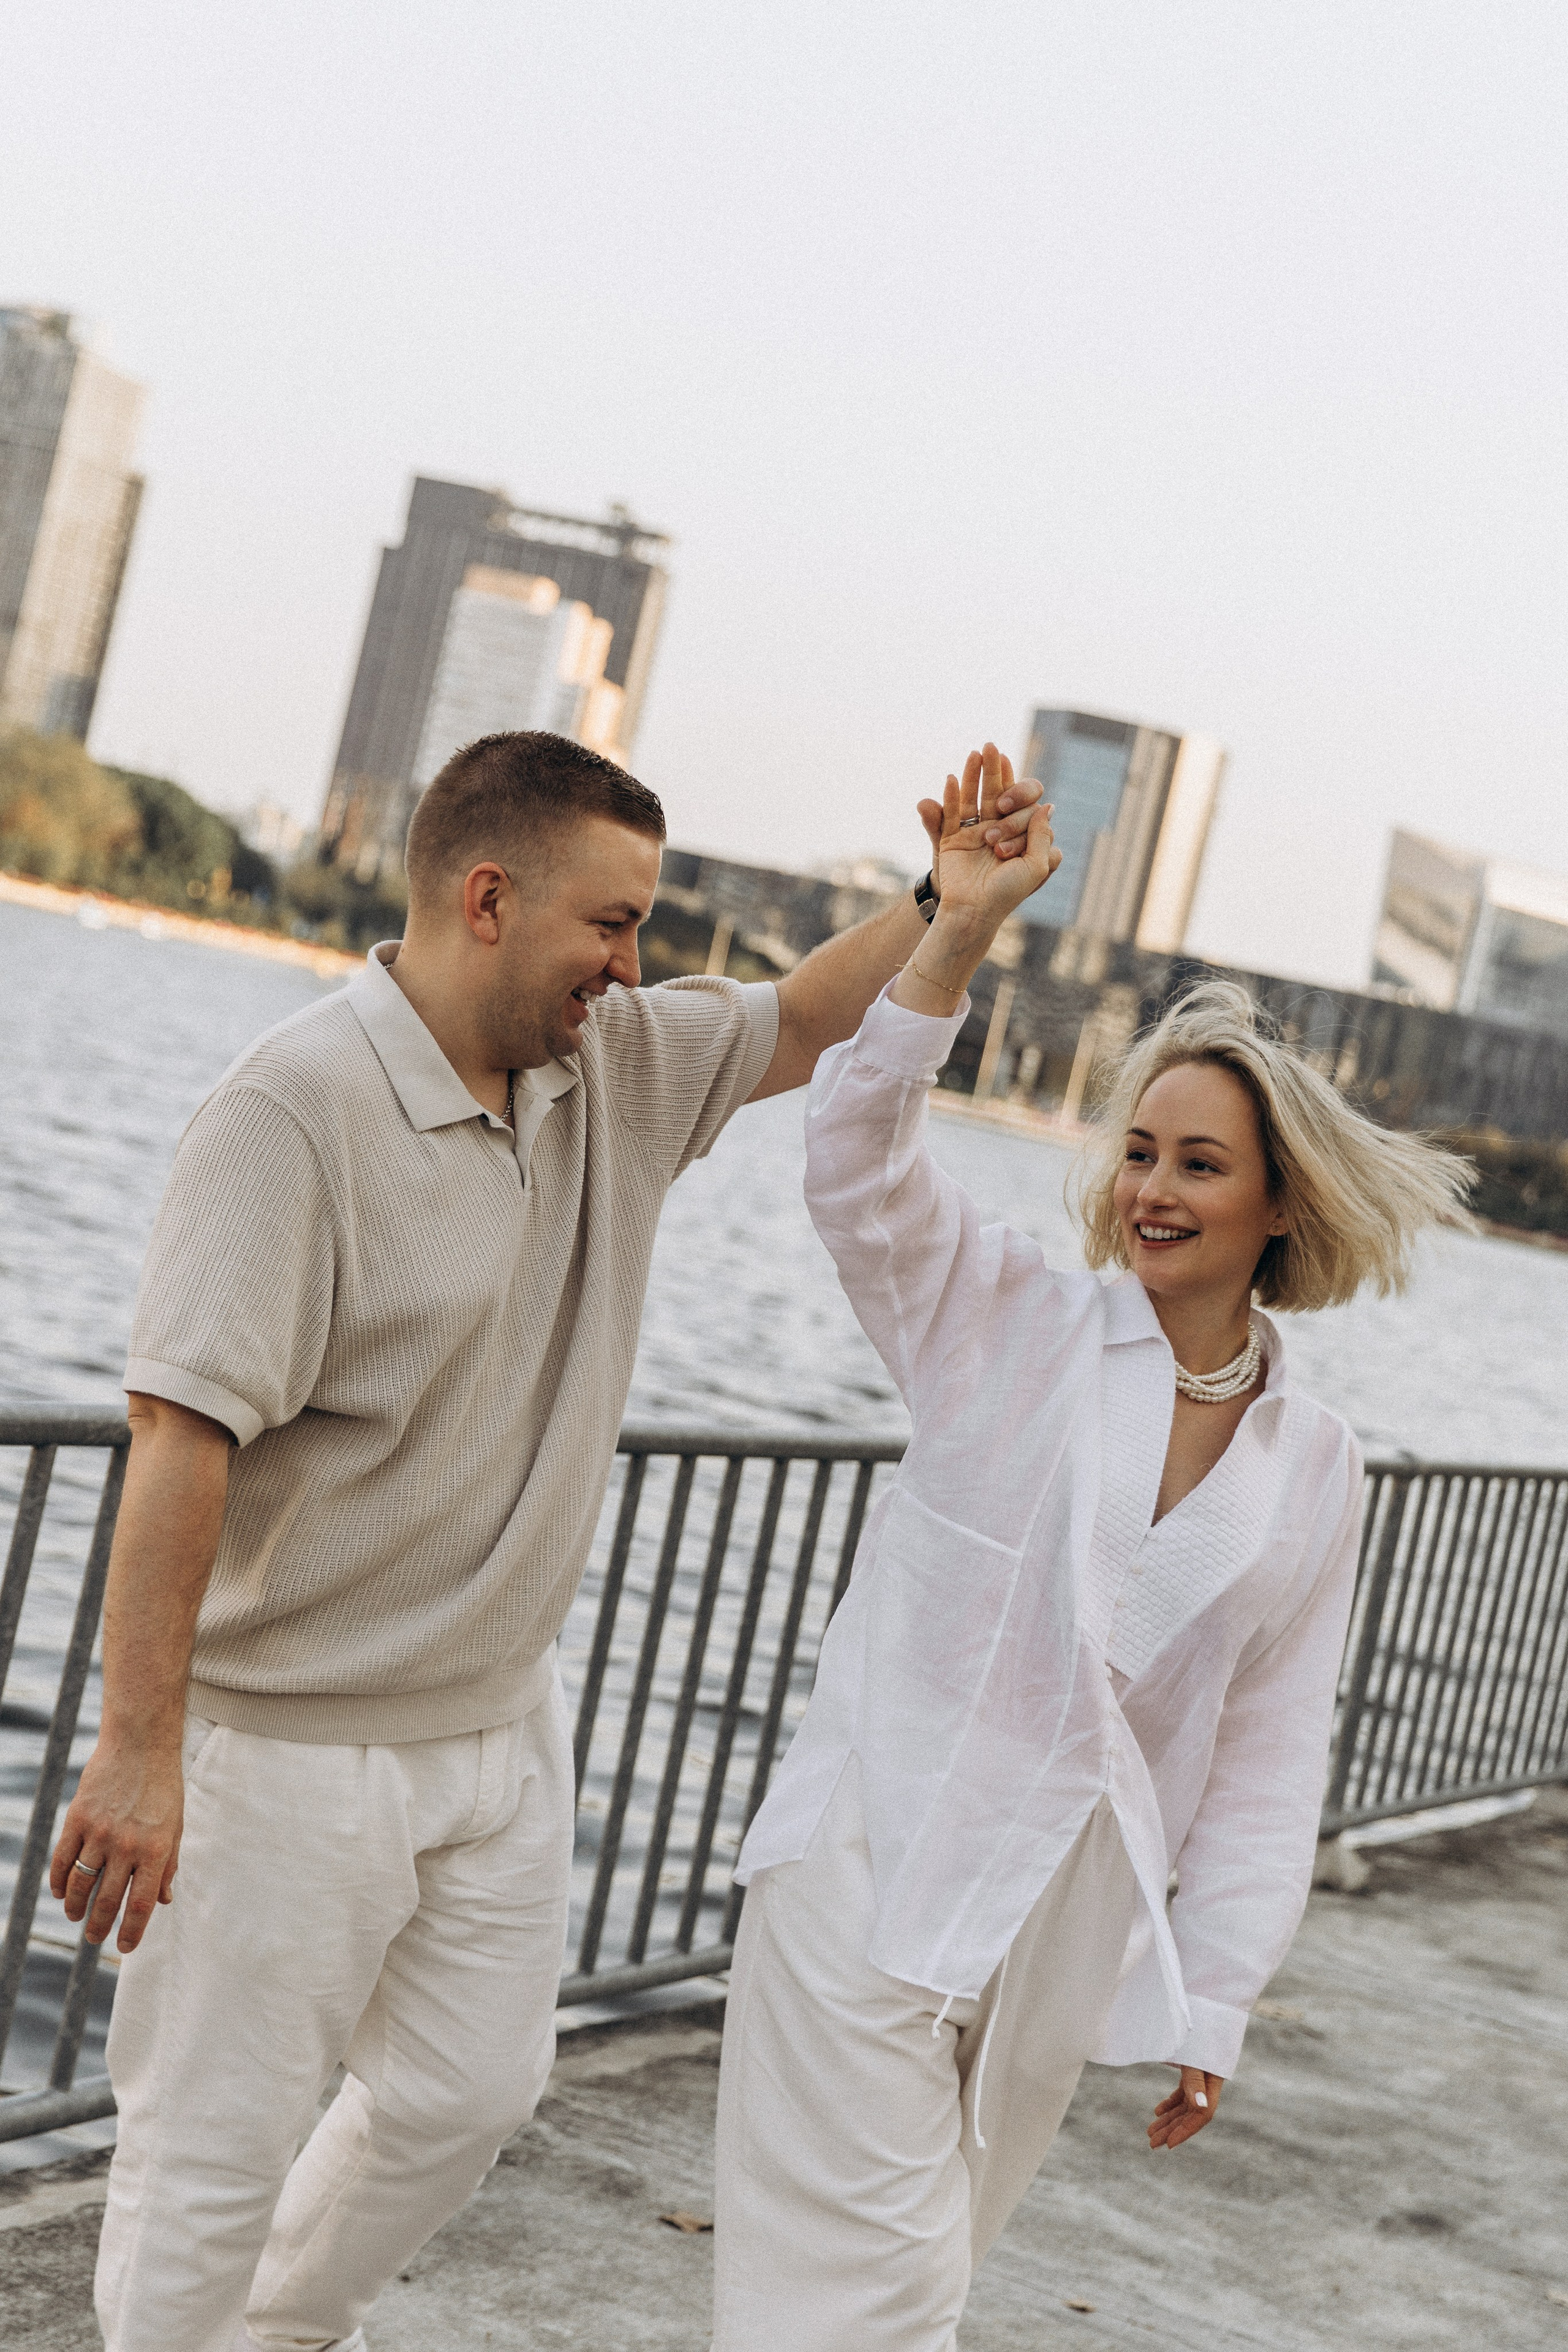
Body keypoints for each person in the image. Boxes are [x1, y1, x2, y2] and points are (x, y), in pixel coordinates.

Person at [49, 728, 1043, 2352]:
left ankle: (281, 2331)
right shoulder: (288, 1116)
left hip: (501, 1727)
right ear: (490, 899)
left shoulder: (616, 1070)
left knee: (470, 2093)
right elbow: (180, 1442)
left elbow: (804, 1018)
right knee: (208, 2164)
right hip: (287, 1750)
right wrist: (139, 1746)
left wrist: (952, 903)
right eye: (614, 923)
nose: (633, 964)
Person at [712, 748, 1472, 2351]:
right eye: (1138, 1152)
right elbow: (852, 1157)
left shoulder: (1314, 1463)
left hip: (1059, 1930)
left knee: (888, 2295)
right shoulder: (1004, 1322)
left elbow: (1270, 1751)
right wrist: (957, 934)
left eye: (1199, 1163)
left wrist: (1218, 1991)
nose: (1152, 1190)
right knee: (876, 2305)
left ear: (1282, 1204)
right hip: (873, 1863)